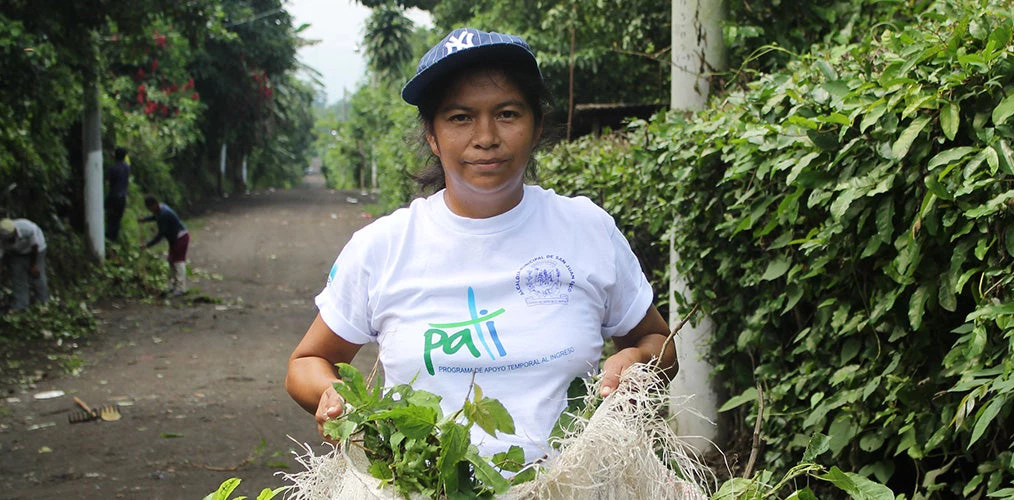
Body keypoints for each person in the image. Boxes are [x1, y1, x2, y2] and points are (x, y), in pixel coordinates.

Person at [285, 27, 677, 465]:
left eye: (507, 114)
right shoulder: (383, 247)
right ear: (432, 136)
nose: (486, 136)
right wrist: (333, 394)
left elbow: (656, 339)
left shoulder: (587, 229)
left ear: (536, 125)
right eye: (460, 118)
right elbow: (308, 361)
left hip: (574, 487)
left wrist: (638, 361)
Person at [138, 195, 190, 296]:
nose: (151, 211)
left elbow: (160, 235)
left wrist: (147, 245)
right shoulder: (160, 209)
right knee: (171, 261)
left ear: (154, 205)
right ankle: (171, 286)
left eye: (150, 208)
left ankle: (180, 288)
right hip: (174, 238)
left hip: (180, 237)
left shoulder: (164, 215)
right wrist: (144, 220)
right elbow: (155, 217)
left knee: (178, 262)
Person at [0, 218, 49, 310]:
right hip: (17, 253)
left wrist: (33, 265)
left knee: (37, 276)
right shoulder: (2, 238)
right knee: (18, 278)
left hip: (36, 251)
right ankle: (21, 305)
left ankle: (43, 303)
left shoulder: (27, 228)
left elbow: (35, 246)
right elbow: (1, 255)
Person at [105, 146, 131, 242]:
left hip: (113, 197)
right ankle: (114, 241)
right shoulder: (127, 168)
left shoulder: (112, 168)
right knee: (117, 221)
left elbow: (106, 180)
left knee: (110, 220)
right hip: (122, 198)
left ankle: (108, 240)